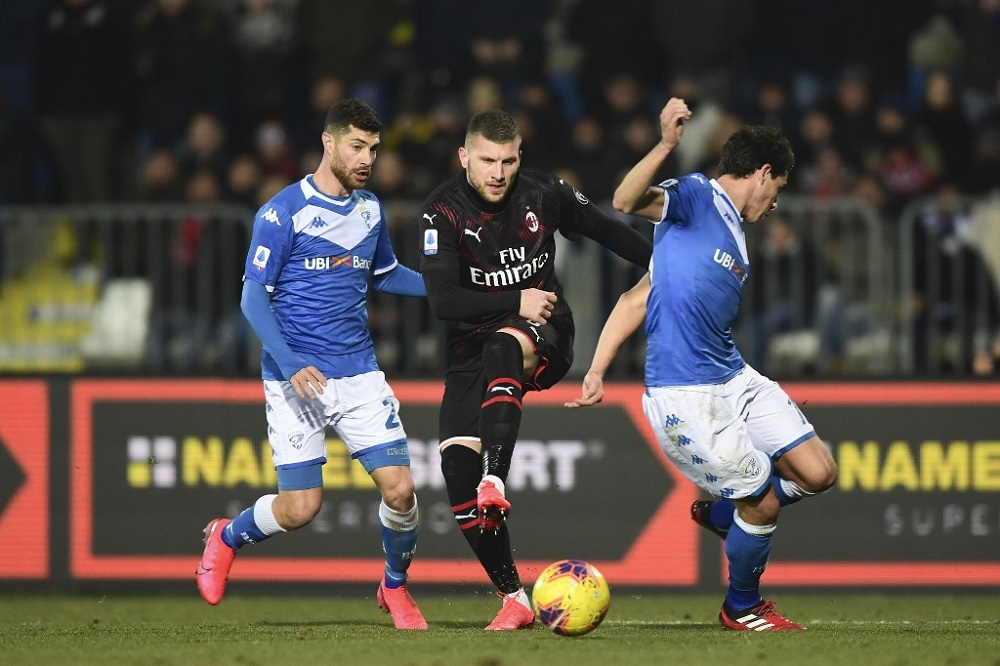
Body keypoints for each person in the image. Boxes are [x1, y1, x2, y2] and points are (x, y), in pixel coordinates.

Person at [566, 98, 838, 631]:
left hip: (734, 377)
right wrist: (666, 144)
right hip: (684, 395)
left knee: (819, 472)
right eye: (778, 188)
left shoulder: (735, 232)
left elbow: (637, 298)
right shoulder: (696, 196)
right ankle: (742, 606)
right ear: (762, 173)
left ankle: (721, 514)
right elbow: (624, 198)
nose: (777, 203)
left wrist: (597, 368)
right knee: (761, 507)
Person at [196, 98, 429, 630]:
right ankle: (225, 535)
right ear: (329, 142)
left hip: (359, 373)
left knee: (401, 488)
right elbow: (253, 300)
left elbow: (388, 274)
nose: (367, 157)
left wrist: (453, 290)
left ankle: (394, 587)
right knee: (301, 509)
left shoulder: (370, 210)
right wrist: (292, 362)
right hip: (293, 378)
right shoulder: (282, 212)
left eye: (373, 148)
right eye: (357, 146)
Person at [417, 109, 653, 630]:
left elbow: (607, 230)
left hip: (544, 331)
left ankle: (495, 481)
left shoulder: (544, 194)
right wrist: (512, 296)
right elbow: (443, 299)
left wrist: (667, 263)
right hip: (467, 354)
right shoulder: (441, 212)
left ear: (519, 157)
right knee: (457, 472)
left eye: (508, 160)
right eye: (486, 161)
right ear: (464, 157)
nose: (498, 172)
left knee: (505, 343)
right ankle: (514, 598)